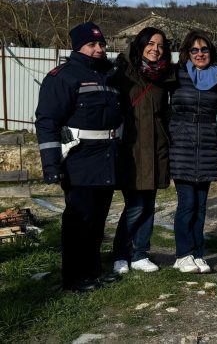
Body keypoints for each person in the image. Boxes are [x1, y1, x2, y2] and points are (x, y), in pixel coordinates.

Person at [35, 22, 122, 291]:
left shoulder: (110, 75)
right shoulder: (63, 77)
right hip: (79, 160)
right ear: (78, 47)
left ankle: (93, 270)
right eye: (92, 45)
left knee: (97, 220)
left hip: (106, 159)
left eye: (101, 44)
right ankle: (73, 277)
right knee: (78, 221)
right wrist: (51, 165)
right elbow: (47, 121)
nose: (98, 49)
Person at [112, 27, 175, 275]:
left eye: (160, 45)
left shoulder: (164, 77)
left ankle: (140, 253)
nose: (155, 49)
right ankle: (120, 253)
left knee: (149, 205)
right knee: (135, 205)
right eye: (150, 43)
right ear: (140, 45)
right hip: (132, 148)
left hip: (156, 148)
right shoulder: (123, 72)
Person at [170, 30, 217, 274]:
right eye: (195, 50)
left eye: (204, 49)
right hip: (181, 145)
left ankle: (198, 254)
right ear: (187, 52)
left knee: (201, 206)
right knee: (187, 203)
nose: (200, 54)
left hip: (206, 145)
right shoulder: (177, 74)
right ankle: (183, 254)